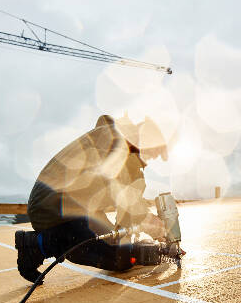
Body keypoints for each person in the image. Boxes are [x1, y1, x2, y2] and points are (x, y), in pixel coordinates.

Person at [15, 114, 182, 284]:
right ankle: (36, 244)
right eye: (158, 150)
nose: (156, 156)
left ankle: (56, 239)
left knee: (122, 258)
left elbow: (125, 217)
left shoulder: (127, 152)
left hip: (75, 208)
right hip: (51, 208)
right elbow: (121, 190)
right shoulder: (115, 139)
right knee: (107, 255)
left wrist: (138, 240)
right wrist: (149, 221)